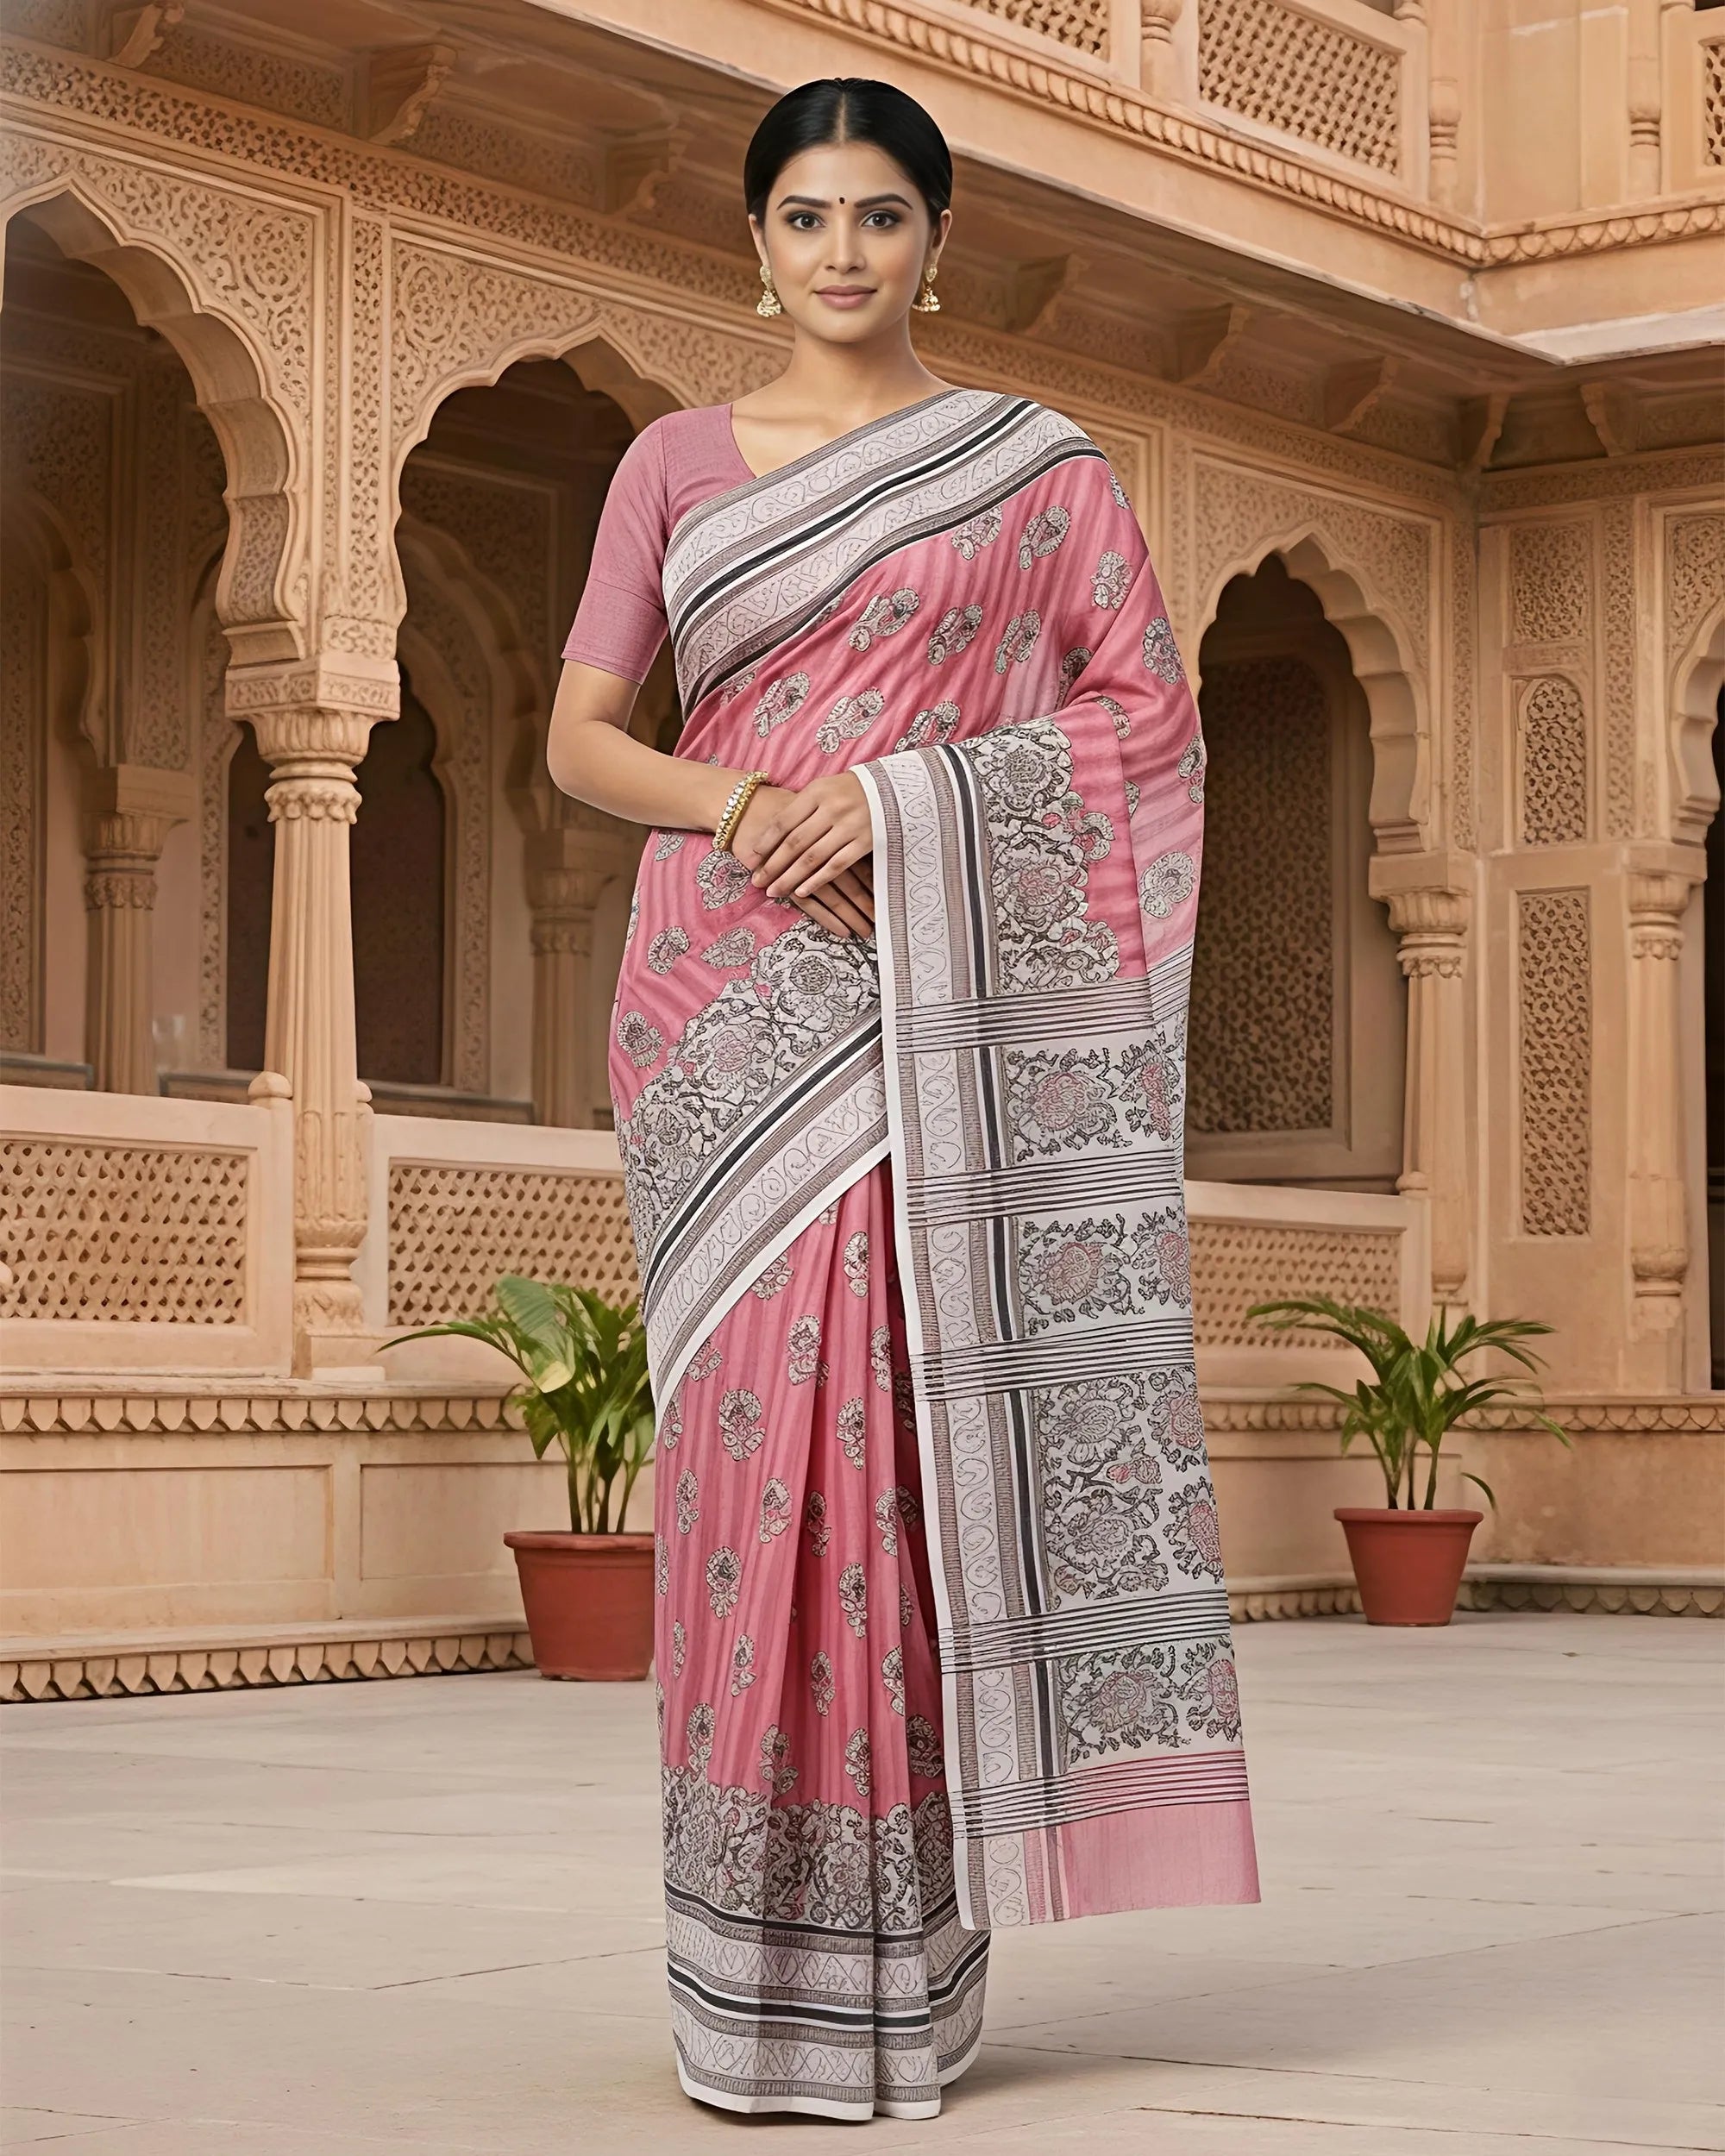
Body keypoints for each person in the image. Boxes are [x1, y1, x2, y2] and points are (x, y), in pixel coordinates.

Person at [546, 76, 1260, 2122]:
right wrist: (753, 797)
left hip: (935, 995)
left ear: (939, 237)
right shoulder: (672, 460)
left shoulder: (1034, 476)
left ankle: (892, 1975)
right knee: (752, 1471)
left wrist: (896, 801)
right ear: (752, 241)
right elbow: (586, 738)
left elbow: (1140, 721)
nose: (839, 251)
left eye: (877, 215)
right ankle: (744, 1975)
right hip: (716, 1002)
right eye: (802, 215)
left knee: (896, 1463)